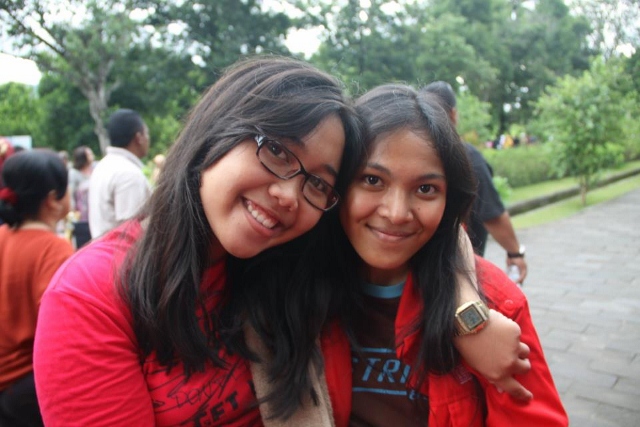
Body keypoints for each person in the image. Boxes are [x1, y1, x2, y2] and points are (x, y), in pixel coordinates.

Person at [32, 56, 367, 426]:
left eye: (317, 184)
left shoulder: (300, 278)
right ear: (216, 131)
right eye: (276, 150)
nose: (289, 196)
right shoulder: (90, 296)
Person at [318, 85, 567, 425]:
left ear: (449, 201)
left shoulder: (498, 305)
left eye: (425, 189)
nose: (397, 213)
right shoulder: (296, 285)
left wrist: (471, 319)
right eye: (373, 180)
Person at [422, 81, 527, 284]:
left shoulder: (412, 154)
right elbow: (492, 215)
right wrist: (515, 253)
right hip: (459, 271)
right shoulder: (468, 157)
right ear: (454, 114)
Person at [0, 149, 74, 427]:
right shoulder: (54, 250)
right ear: (53, 199)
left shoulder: (2, 236)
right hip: (27, 387)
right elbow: (62, 332)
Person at [88, 108, 152, 239]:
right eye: (147, 134)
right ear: (139, 138)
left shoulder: (103, 166)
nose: (148, 139)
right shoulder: (129, 174)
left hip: (100, 246)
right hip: (120, 251)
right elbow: (130, 231)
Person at [68, 145, 95, 248]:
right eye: (89, 154)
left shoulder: (95, 169)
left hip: (94, 212)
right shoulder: (74, 173)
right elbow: (71, 193)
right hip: (81, 215)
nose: (92, 156)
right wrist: (73, 212)